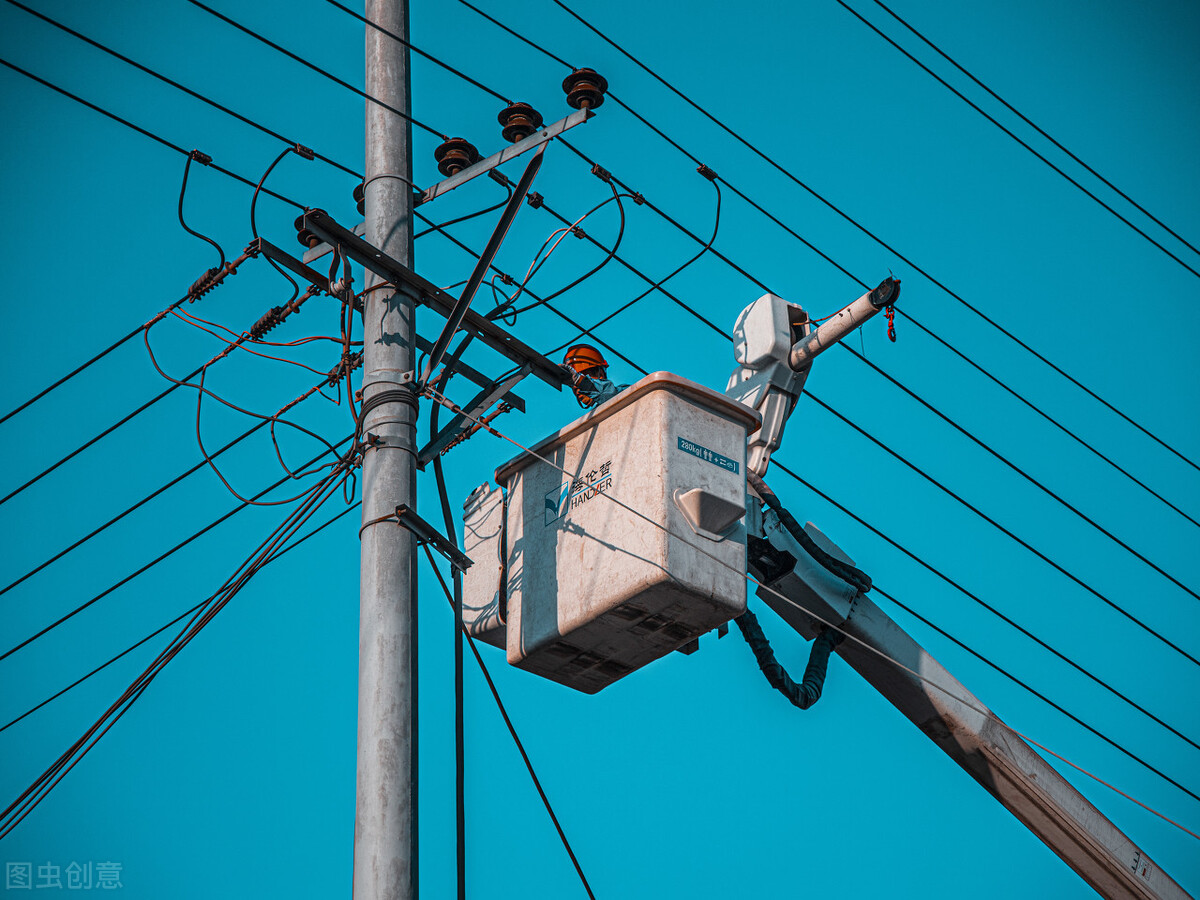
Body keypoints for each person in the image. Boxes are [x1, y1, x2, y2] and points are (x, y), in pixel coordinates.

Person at [562, 344, 629, 409]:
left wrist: (584, 383)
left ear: (601, 374)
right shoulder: (595, 417)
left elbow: (612, 397)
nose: (578, 389)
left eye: (584, 378)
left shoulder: (627, 392)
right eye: (573, 385)